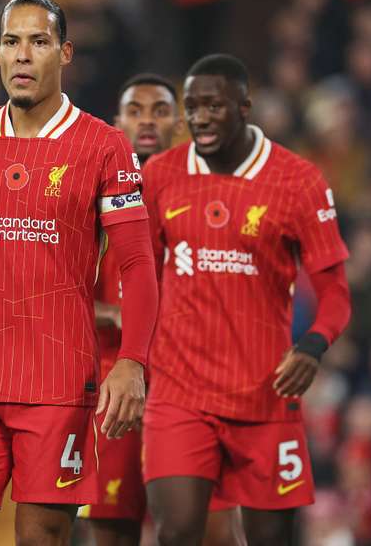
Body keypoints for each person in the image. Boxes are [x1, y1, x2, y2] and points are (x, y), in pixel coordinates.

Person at [0, 0, 160, 545]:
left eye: (38, 41)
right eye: (12, 42)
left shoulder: (104, 146)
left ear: (64, 53)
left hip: (59, 385)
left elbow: (138, 263)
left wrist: (133, 362)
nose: (23, 55)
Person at [142, 54, 351, 546]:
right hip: (179, 395)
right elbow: (139, 279)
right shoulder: (160, 175)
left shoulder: (297, 181)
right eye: (191, 107)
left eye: (213, 105)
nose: (200, 117)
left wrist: (313, 346)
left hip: (265, 395)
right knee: (176, 533)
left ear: (244, 106)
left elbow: (336, 293)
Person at [79, 73, 246, 546]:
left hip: (193, 383)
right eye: (135, 111)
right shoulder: (87, 200)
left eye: (159, 112)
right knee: (112, 529)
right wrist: (120, 317)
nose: (146, 122)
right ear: (117, 124)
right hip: (113, 385)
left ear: (178, 126)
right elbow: (52, 296)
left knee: (210, 529)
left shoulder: (209, 195)